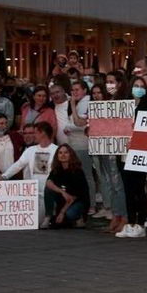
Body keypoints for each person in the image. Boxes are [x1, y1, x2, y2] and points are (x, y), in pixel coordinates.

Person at [115, 76, 147, 239]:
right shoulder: (123, 106)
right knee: (128, 190)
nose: (138, 88)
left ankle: (139, 223)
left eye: (141, 86)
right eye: (136, 85)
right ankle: (130, 222)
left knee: (139, 189)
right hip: (123, 154)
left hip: (139, 154)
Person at [1, 121, 58, 226]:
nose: (33, 136)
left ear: (43, 133)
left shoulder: (56, 150)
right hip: (31, 196)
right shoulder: (30, 150)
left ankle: (51, 215)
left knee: (38, 222)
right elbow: (18, 165)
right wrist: (4, 176)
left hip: (49, 195)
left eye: (35, 133)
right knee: (30, 222)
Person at [89, 82, 128, 234]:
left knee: (118, 185)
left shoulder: (117, 105)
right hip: (102, 149)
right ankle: (115, 215)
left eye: (99, 92)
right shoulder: (95, 110)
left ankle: (123, 217)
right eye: (94, 93)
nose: (97, 96)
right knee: (110, 185)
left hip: (115, 150)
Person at [62, 80, 98, 217]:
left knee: (88, 176)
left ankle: (92, 205)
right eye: (73, 90)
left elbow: (81, 124)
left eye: (77, 89)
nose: (74, 92)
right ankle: (87, 203)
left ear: (84, 90)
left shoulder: (86, 103)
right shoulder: (78, 103)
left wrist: (68, 127)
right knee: (82, 177)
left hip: (83, 145)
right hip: (75, 145)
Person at [43, 144, 90, 229]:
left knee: (69, 214)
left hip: (77, 201)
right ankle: (48, 217)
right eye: (60, 153)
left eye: (66, 152)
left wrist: (62, 212)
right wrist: (62, 192)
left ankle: (79, 218)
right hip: (64, 200)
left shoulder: (77, 171)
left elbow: (73, 197)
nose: (63, 155)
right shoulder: (57, 169)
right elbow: (48, 183)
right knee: (48, 190)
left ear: (71, 154)